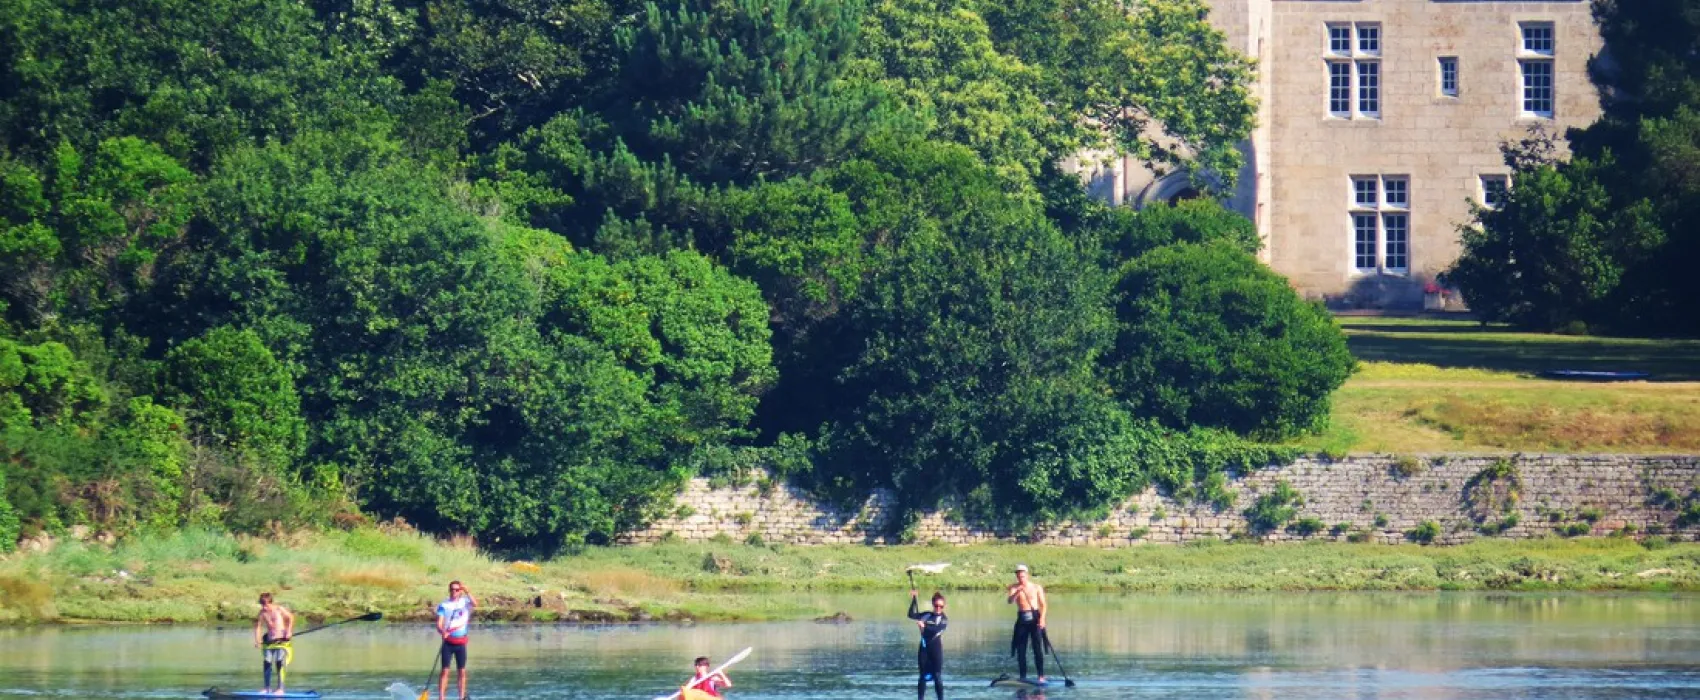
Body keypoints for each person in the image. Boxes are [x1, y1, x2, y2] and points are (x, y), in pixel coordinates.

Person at [436, 580, 478, 700]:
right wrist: (442, 631)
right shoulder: (444, 605)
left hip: (461, 643)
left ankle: (461, 697)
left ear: (460, 591)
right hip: (448, 643)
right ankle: (441, 697)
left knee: (462, 672)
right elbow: (439, 623)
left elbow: (475, 604)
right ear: (449, 590)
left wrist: (467, 591)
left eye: (457, 589)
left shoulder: (465, 602)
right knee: (445, 671)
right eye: (452, 589)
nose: (454, 591)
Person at [1006, 564, 1047, 683]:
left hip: (1035, 618)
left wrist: (1042, 619)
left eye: (1023, 576)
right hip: (1022, 619)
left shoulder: (1036, 587)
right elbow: (1009, 601)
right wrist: (1017, 592)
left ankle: (1041, 676)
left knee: (1037, 648)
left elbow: (1043, 605)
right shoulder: (1014, 587)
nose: (1021, 579)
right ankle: (1023, 676)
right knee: (1021, 650)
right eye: (1019, 576)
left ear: (1027, 576)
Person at [908, 589, 948, 700]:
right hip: (924, 648)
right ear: (933, 604)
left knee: (937, 676)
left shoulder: (944, 619)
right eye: (936, 606)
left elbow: (935, 630)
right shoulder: (926, 615)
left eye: (941, 606)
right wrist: (914, 599)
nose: (938, 608)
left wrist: (923, 626)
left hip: (935, 649)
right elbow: (911, 614)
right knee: (922, 677)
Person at [253, 592, 296, 695]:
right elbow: (258, 626)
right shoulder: (262, 613)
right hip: (269, 640)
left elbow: (291, 617)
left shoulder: (279, 609)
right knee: (267, 661)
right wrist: (257, 640)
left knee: (279, 661)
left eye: (265, 604)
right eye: (262, 604)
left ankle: (280, 689)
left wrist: (289, 631)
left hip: (281, 641)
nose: (264, 607)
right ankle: (267, 688)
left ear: (270, 602)